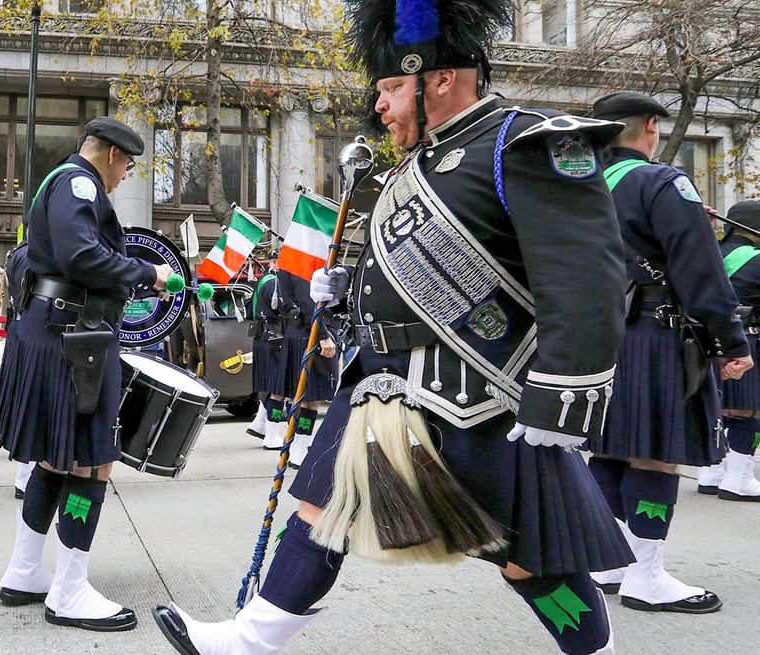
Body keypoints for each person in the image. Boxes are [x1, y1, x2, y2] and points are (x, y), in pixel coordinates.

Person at [154, 1, 633, 653]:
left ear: (439, 79)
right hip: (388, 384)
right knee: (323, 508)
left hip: (484, 399)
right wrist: (344, 292)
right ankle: (248, 640)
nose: (377, 106)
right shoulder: (418, 165)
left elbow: (588, 274)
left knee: (532, 559)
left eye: (388, 88)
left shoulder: (525, 144)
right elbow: (407, 284)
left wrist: (561, 396)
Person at [0, 117, 171, 630]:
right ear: (112, 154)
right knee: (91, 463)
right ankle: (69, 591)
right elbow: (81, 255)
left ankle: (25, 571)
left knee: (53, 459)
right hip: (74, 341)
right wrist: (147, 273)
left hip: (54, 333)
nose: (125, 175)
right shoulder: (79, 182)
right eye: (128, 166)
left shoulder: (57, 181)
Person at [585, 92, 752, 615]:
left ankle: (607, 561)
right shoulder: (662, 182)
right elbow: (701, 270)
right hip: (655, 335)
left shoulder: (577, 183)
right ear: (651, 127)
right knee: (654, 452)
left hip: (591, 338)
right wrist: (730, 343)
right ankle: (646, 575)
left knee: (609, 449)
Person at [698, 200, 760, 501]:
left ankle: (710, 471)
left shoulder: (712, 253)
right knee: (747, 409)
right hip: (746, 339)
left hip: (705, 339)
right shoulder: (758, 259)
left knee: (717, 406)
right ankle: (739, 478)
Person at [275, 257, 337, 466]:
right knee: (309, 398)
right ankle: (300, 447)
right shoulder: (302, 259)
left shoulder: (288, 262)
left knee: (299, 396)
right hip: (310, 334)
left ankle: (297, 444)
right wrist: (323, 335)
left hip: (299, 332)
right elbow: (309, 302)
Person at [2, 238, 35, 500]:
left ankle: (29, 475)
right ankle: (26, 477)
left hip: (24, 333)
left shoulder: (23, 252)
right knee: (33, 406)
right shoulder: (30, 256)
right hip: (31, 337)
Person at [246, 250, 284, 444]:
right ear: (274, 261)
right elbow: (283, 308)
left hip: (263, 337)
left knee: (270, 386)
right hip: (274, 338)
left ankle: (259, 424)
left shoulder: (263, 280)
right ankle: (271, 436)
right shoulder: (273, 283)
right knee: (277, 388)